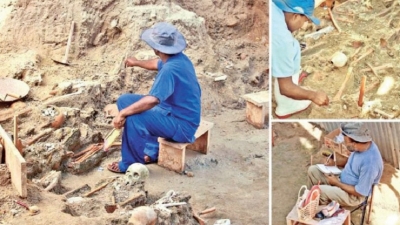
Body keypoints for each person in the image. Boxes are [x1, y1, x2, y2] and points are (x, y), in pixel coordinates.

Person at [107, 22, 201, 173]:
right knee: (124, 100)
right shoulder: (179, 59)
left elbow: (152, 100)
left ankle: (131, 165)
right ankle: (151, 151)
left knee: (134, 117)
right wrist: (136, 62)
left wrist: (123, 114)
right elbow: (156, 64)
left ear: (157, 48)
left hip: (183, 126)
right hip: (172, 112)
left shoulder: (170, 69)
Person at [271, 0, 329, 119]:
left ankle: (291, 81)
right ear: (296, 16)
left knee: (292, 45)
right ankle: (286, 105)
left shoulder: (273, 6)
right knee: (292, 46)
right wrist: (313, 95)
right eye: (305, 20)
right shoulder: (283, 41)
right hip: (278, 45)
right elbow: (285, 88)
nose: (303, 26)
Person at [308, 122, 383, 207]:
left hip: (353, 195)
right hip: (342, 178)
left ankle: (322, 210)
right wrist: (334, 163)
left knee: (320, 191)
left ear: (353, 142)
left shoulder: (370, 164)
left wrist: (337, 183)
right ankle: (314, 199)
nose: (344, 142)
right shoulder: (361, 146)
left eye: (345, 140)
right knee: (313, 170)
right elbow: (353, 164)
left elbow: (360, 192)